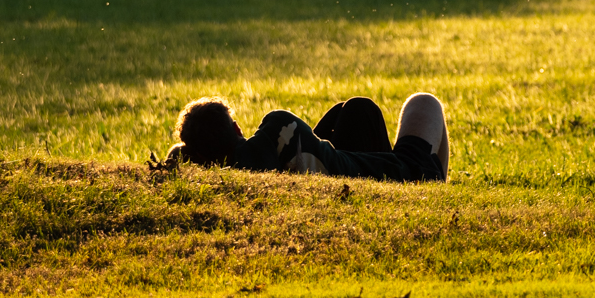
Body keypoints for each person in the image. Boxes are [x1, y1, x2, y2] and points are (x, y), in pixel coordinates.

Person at [166, 93, 449, 182]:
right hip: (405, 173)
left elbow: (177, 156)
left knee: (353, 110)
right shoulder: (277, 128)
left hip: (347, 168)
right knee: (424, 102)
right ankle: (437, 187)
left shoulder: (230, 169)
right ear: (237, 129)